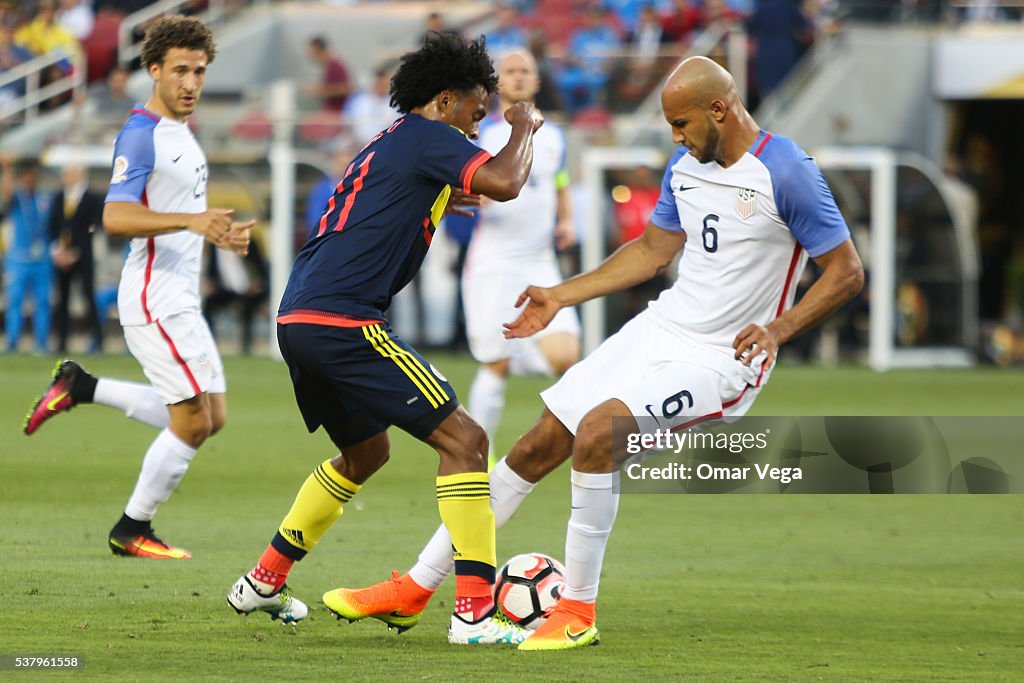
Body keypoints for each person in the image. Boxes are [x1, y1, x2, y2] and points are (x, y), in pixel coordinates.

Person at [330, 56, 865, 651]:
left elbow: (846, 271)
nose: (676, 137)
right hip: (661, 327)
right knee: (537, 443)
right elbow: (650, 252)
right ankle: (416, 586)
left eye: (682, 124)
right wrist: (560, 295)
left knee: (600, 432)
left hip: (723, 359)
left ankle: (577, 609)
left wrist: (779, 329)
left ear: (720, 108)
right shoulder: (686, 165)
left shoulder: (785, 170)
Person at [225, 32, 544, 646]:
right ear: (447, 100)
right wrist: (523, 126)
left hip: (299, 319)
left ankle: (264, 581)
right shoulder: (431, 138)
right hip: (345, 320)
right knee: (468, 441)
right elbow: (505, 182)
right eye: (478, 113)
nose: (478, 128)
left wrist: (433, 199)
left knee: (367, 453)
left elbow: (387, 197)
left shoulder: (396, 142)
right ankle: (474, 615)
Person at [23, 17, 253, 562]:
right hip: (154, 297)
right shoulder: (141, 133)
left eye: (199, 71)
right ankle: (132, 527)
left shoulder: (183, 131)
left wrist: (214, 231)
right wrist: (192, 222)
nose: (191, 82)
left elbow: (179, 212)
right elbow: (118, 215)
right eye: (179, 70)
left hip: (180, 295)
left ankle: (81, 387)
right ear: (153, 70)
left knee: (211, 418)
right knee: (192, 423)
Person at [462, 49, 579, 461]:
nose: (517, 77)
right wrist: (475, 198)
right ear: (498, 85)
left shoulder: (555, 136)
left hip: (540, 261)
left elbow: (559, 181)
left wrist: (566, 220)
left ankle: (567, 442)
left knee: (567, 356)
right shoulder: (484, 134)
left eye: (524, 70)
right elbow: (466, 190)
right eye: (509, 71)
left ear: (536, 80)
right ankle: (478, 453)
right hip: (494, 262)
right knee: (495, 363)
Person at [48, 163, 104, 353]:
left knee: (88, 296)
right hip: (61, 257)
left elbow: (94, 226)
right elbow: (52, 226)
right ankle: (61, 342)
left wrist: (76, 251)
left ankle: (97, 340)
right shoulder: (58, 197)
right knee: (62, 300)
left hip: (83, 256)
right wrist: (58, 250)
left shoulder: (92, 198)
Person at [1, 155, 54, 353]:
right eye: (26, 178)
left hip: (41, 261)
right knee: (15, 302)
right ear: (21, 180)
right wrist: (7, 169)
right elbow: (5, 193)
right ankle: (12, 342)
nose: (30, 181)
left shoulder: (44, 198)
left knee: (42, 303)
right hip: (18, 260)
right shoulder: (17, 199)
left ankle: (42, 343)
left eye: (33, 178)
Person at [306, 36, 351, 112]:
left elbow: (345, 89)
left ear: (317, 49)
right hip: (329, 112)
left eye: (311, 52)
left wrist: (319, 91)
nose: (309, 55)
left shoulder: (335, 66)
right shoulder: (328, 66)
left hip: (336, 113)